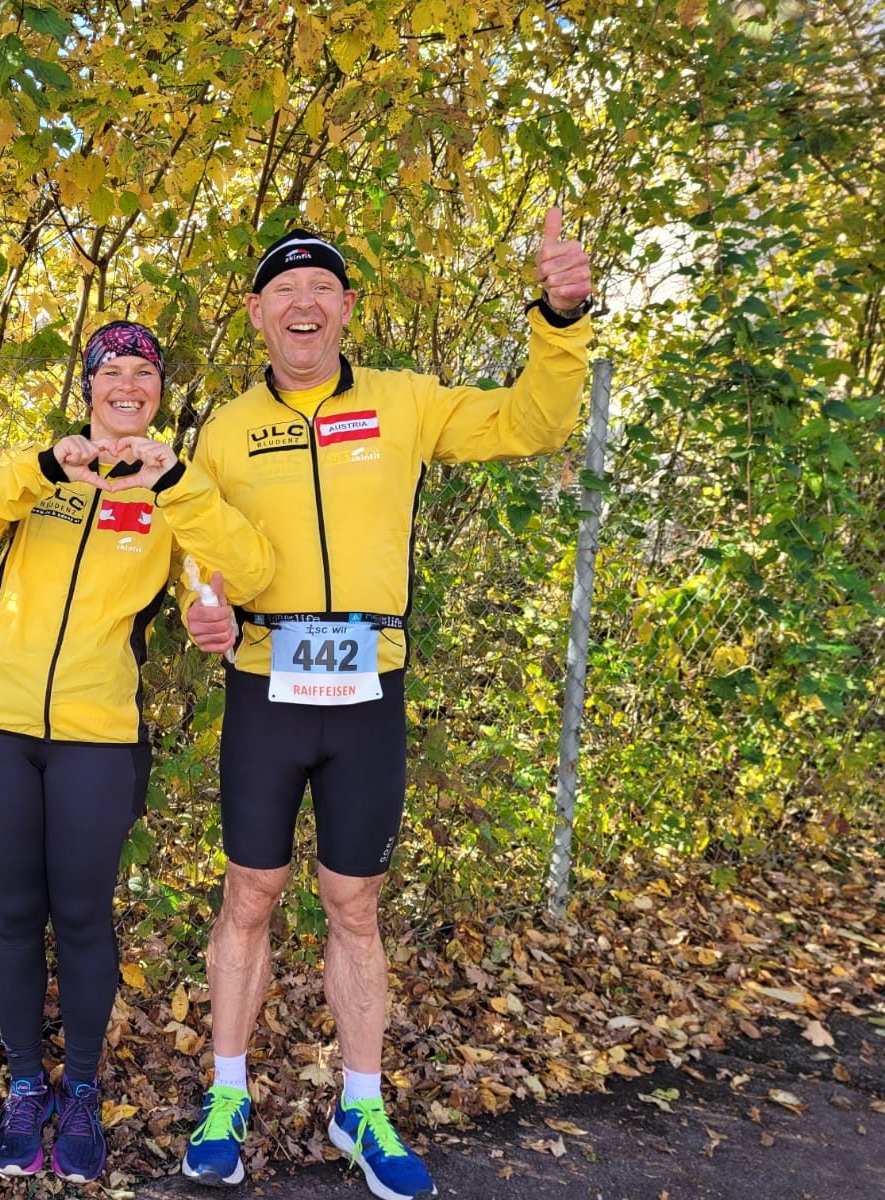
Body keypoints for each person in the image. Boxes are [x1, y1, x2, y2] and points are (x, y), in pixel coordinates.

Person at [176, 213, 593, 1198]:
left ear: (348, 308)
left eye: (322, 287)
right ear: (256, 313)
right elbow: (195, 539)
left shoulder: (403, 402)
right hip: (266, 685)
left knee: (352, 905)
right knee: (249, 895)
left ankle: (360, 1104)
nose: (304, 302)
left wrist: (559, 321)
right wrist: (202, 600)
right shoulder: (228, 427)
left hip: (366, 689)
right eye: (285, 289)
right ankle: (225, 1098)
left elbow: (531, 423)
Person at [0, 321, 275, 1183]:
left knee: (83, 916)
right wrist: (45, 468)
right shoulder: (43, 473)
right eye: (112, 370)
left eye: (144, 372)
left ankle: (79, 1092)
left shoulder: (168, 490)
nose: (128, 383)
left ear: (159, 392)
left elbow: (243, 567)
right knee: (14, 912)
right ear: (89, 387)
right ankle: (23, 1087)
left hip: (97, 736)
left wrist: (183, 492)